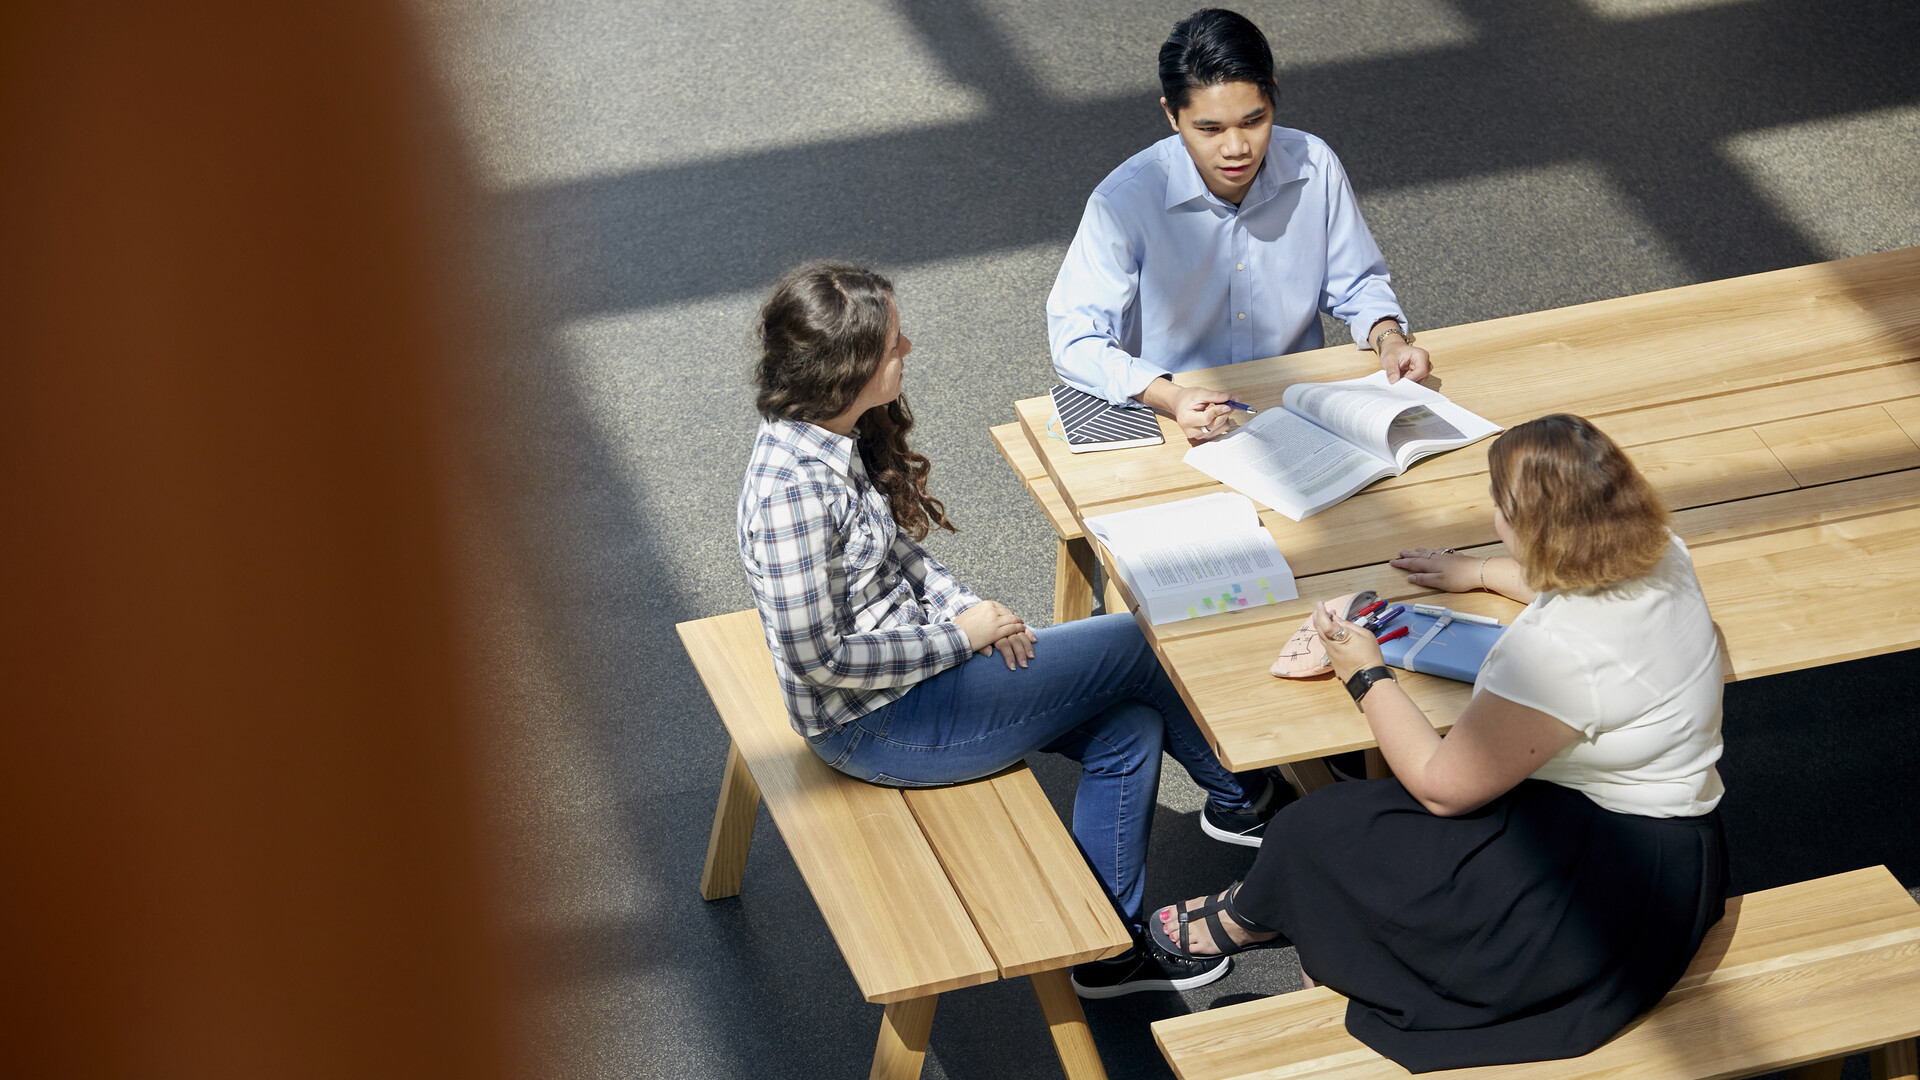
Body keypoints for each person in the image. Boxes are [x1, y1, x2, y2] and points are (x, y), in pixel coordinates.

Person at [738, 262, 1286, 999]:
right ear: (851, 366)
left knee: (1127, 728)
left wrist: (974, 613)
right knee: (1130, 642)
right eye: (896, 341)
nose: (911, 347)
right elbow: (819, 660)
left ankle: (1106, 951)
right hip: (878, 722)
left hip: (920, 675)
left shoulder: (828, 438)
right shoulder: (794, 490)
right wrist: (961, 638)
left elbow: (897, 557)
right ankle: (1255, 806)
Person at [1146, 414, 1730, 1071]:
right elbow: (1572, 577)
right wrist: (1479, 571)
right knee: (1357, 827)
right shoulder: (1663, 553)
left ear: (1523, 520)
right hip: (1681, 853)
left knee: (1316, 829)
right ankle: (1281, 917)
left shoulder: (1557, 652)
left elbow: (1441, 787)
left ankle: (1253, 919)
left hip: (1597, 902)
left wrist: (1364, 672)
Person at [1048, 8, 1432, 444]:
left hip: (1299, 406)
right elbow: (1076, 340)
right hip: (1178, 418)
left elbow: (1357, 284)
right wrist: (1170, 396)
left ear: (1272, 96)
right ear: (1172, 116)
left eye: (1253, 121)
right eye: (1210, 129)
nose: (1237, 148)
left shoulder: (1315, 164)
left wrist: (1390, 339)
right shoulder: (1122, 202)